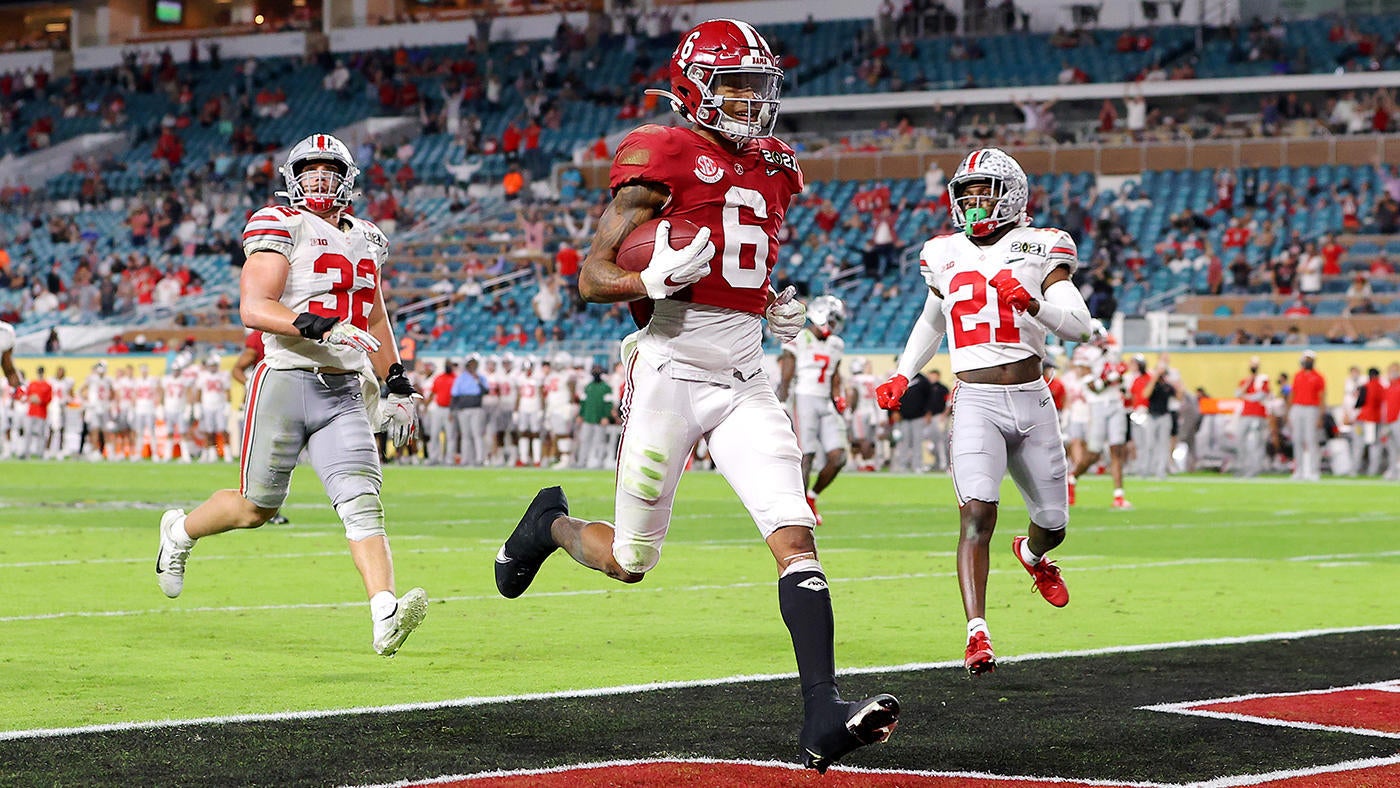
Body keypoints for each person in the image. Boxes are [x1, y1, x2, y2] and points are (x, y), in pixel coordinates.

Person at [490, 19, 897, 773]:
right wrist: (644, 282)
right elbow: (590, 275)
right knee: (632, 559)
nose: (750, 101)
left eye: (758, 87)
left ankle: (821, 715)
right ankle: (546, 526)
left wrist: (770, 300)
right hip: (669, 376)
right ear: (693, 87)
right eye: (734, 85)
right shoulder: (664, 151)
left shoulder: (776, 163)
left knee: (794, 532)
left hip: (745, 381)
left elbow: (740, 260)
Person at [154, 133, 428, 657]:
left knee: (362, 503)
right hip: (285, 378)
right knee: (255, 507)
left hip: (344, 388)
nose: (320, 180)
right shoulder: (280, 224)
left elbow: (373, 314)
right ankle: (180, 532)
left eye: (329, 170)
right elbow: (255, 307)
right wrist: (320, 326)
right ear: (292, 179)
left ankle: (384, 611)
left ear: (347, 179)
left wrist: (396, 378)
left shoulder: (368, 237)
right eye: (310, 171)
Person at [874, 147, 1092, 676]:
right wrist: (904, 372)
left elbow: (1082, 325)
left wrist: (1034, 304)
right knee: (977, 512)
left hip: (1033, 399)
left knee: (1054, 521)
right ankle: (977, 633)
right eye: (966, 193)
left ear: (1012, 195)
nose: (973, 203)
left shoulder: (1043, 245)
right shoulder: (942, 252)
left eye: (984, 192)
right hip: (975, 401)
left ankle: (1034, 555)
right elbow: (932, 319)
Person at [777, 295, 849, 526]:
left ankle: (812, 496)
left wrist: (838, 398)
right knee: (805, 455)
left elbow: (835, 375)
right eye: (833, 319)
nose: (835, 324)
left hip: (825, 401)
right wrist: (782, 400)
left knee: (839, 457)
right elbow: (786, 374)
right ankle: (799, 508)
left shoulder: (837, 344)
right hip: (804, 398)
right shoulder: (798, 337)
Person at [1288, 350, 1325, 481]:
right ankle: (1298, 470)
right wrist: (1289, 412)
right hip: (1297, 407)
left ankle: (1314, 471)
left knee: (1311, 439)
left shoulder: (1318, 377)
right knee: (1297, 439)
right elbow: (1293, 394)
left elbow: (1322, 397)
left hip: (1311, 408)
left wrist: (1321, 415)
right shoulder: (1297, 375)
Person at [1235, 356, 1270, 477]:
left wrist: (1247, 396)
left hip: (1258, 415)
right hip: (1245, 414)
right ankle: (1242, 467)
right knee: (1240, 440)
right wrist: (1249, 382)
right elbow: (1238, 393)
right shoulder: (1245, 381)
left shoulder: (1263, 380)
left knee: (1255, 443)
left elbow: (1261, 395)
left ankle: (1255, 468)